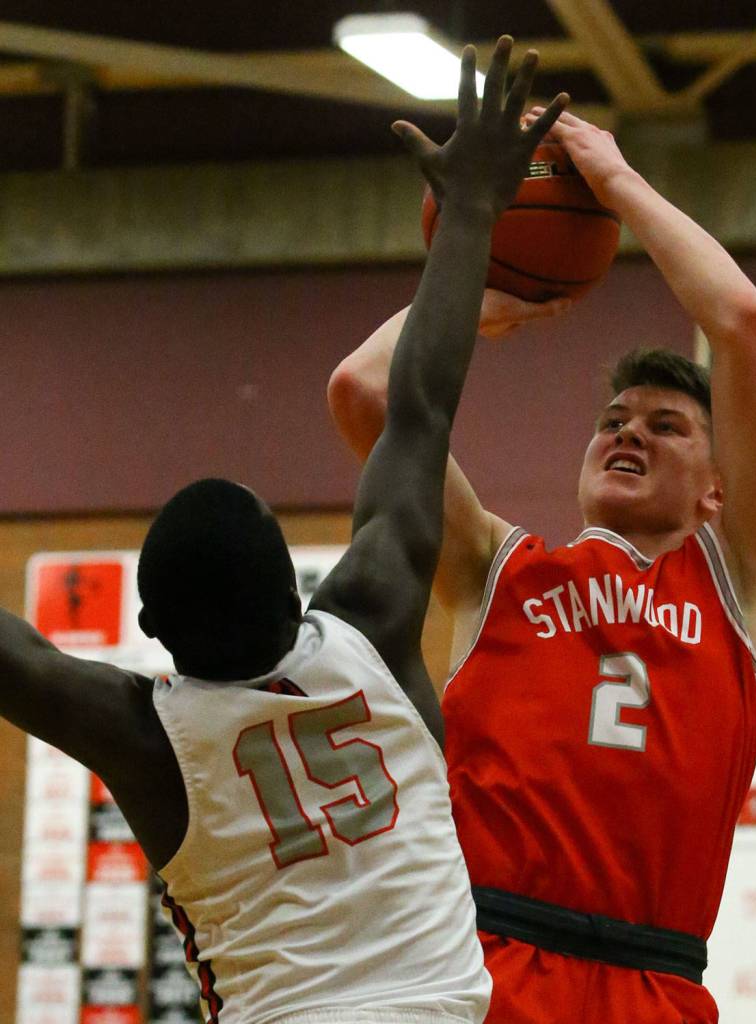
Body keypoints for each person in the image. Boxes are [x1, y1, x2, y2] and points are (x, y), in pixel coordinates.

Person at [0, 40, 568, 1024]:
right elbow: (418, 408)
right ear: (300, 592)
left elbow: (14, 659)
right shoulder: (371, 621)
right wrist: (473, 208)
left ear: (150, 627)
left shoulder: (145, 736)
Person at [328, 109, 756, 1023]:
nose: (628, 432)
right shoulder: (492, 569)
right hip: (482, 964)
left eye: (666, 426)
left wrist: (616, 181)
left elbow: (741, 322)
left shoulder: (745, 591)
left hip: (653, 980)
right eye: (613, 420)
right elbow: (361, 390)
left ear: (717, 489)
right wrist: (475, 288)